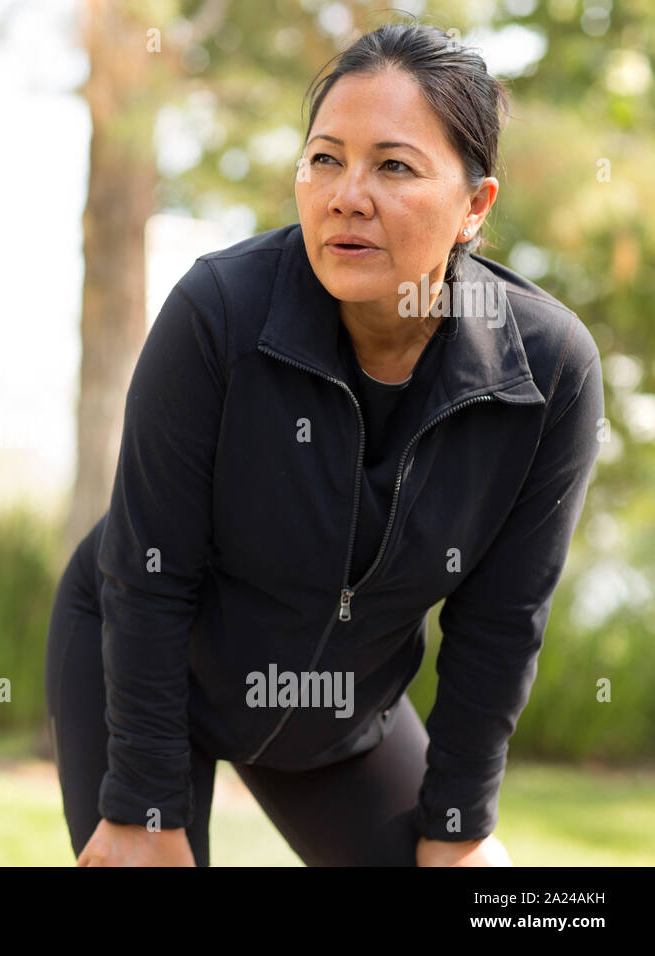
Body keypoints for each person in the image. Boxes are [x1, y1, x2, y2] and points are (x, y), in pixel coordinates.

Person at [45, 21, 604, 867]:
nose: (347, 193)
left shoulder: (549, 371)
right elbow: (147, 579)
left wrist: (458, 827)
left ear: (474, 205)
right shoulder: (218, 314)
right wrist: (143, 807)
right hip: (143, 663)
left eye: (394, 165)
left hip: (342, 714)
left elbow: (500, 623)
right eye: (325, 159)